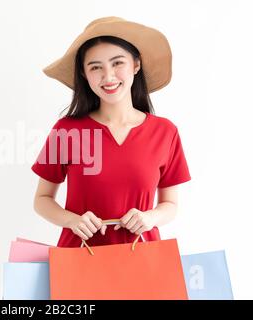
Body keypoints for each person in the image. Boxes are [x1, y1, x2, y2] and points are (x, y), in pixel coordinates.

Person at [31, 16, 191, 248]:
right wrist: (72, 221)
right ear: (85, 75)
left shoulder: (165, 132)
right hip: (78, 262)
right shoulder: (66, 131)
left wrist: (149, 218)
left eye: (117, 63)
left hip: (143, 262)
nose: (108, 76)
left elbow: (171, 205)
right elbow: (41, 200)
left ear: (136, 64)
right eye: (96, 67)